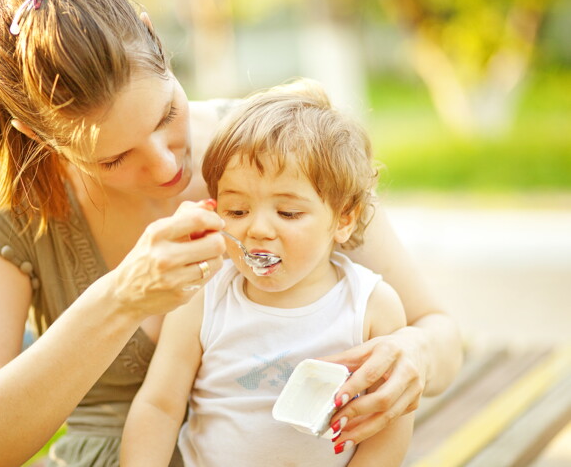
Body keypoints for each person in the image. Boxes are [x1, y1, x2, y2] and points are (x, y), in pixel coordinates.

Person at [0, 0, 461, 465]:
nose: (165, 164)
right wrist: (122, 298)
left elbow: (436, 333)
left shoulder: (272, 150)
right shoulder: (13, 197)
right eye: (113, 158)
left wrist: (413, 354)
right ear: (38, 136)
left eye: (166, 115)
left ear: (153, 37)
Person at [120, 79, 414, 466]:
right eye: (237, 211)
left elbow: (389, 430)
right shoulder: (203, 297)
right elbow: (159, 406)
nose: (257, 229)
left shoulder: (372, 306)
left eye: (288, 213)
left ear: (344, 218)